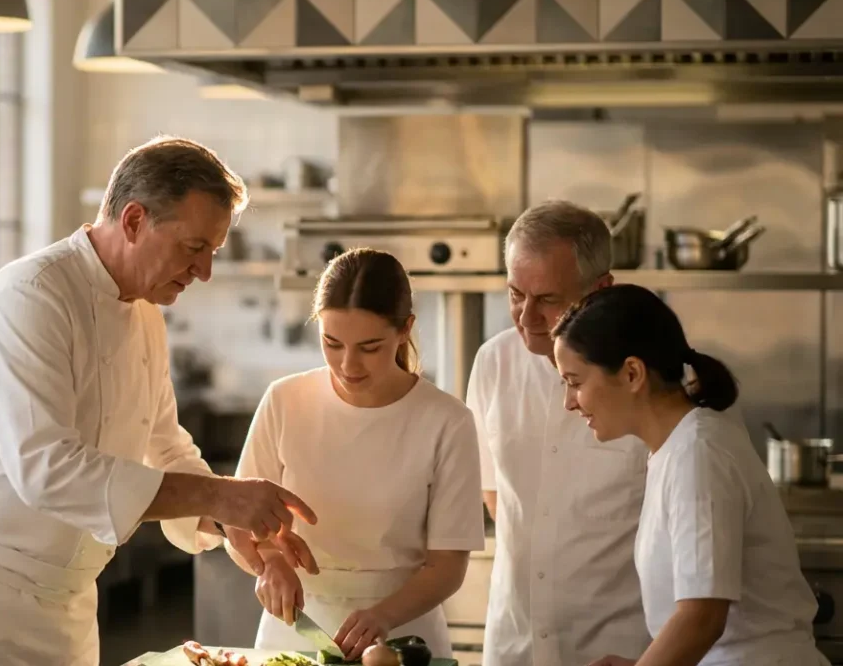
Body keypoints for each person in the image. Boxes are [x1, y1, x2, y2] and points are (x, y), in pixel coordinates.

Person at [0, 136, 320, 666]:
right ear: (134, 221)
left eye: (212, 252)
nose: (203, 271)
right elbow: (47, 469)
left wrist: (231, 519)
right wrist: (221, 497)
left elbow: (162, 442)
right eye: (193, 248)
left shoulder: (145, 313)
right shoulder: (31, 297)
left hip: (65, 606)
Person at [227, 248, 486, 662]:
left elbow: (448, 565)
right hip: (295, 627)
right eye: (332, 343)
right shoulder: (284, 401)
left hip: (401, 634)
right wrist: (268, 564)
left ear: (405, 330)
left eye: (370, 347)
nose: (348, 365)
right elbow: (239, 521)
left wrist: (383, 616)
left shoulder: (447, 421)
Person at [552, 283, 828, 666]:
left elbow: (702, 618)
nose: (569, 402)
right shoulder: (675, 449)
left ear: (632, 373)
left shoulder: (698, 453)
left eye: (575, 382)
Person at [468, 200, 652, 666]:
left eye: (548, 299)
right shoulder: (493, 363)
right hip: (516, 645)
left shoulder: (649, 377)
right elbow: (494, 493)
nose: (526, 317)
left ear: (601, 289)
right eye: (515, 294)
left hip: (621, 648)